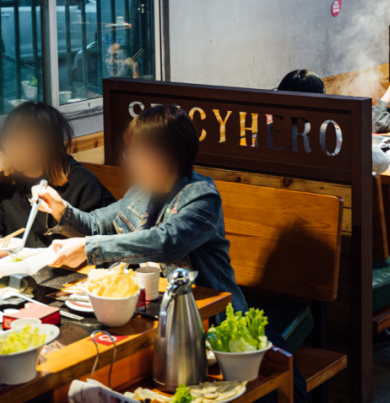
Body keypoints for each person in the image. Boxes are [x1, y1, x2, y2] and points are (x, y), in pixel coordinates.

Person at [38, 105, 246, 311]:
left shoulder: (201, 196)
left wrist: (90, 248)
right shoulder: (142, 190)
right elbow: (97, 224)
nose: (132, 160)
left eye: (139, 152)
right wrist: (61, 210)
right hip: (154, 306)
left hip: (208, 312)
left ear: (169, 156)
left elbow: (165, 242)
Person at [0, 102, 114, 248]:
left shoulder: (80, 181)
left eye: (27, 141)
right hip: (19, 263)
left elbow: (103, 240)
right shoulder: (4, 182)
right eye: (11, 139)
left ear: (48, 144)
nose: (17, 148)